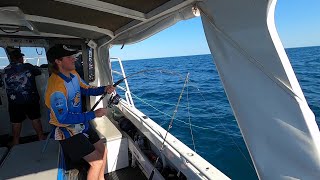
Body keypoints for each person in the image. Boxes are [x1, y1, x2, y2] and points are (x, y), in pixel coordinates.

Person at [45, 44, 114, 180]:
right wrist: (93, 114)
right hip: (65, 130)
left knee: (103, 151)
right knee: (96, 163)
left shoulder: (73, 74)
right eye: (69, 57)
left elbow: (86, 89)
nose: (74, 59)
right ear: (58, 61)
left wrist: (104, 89)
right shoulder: (56, 87)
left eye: (73, 56)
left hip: (81, 124)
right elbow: (62, 119)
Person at [4, 46, 45, 145]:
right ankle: (41, 139)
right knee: (35, 119)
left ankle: (15, 143)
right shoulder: (28, 66)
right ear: (20, 58)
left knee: (16, 122)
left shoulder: (5, 69)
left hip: (14, 102)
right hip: (30, 99)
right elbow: (38, 72)